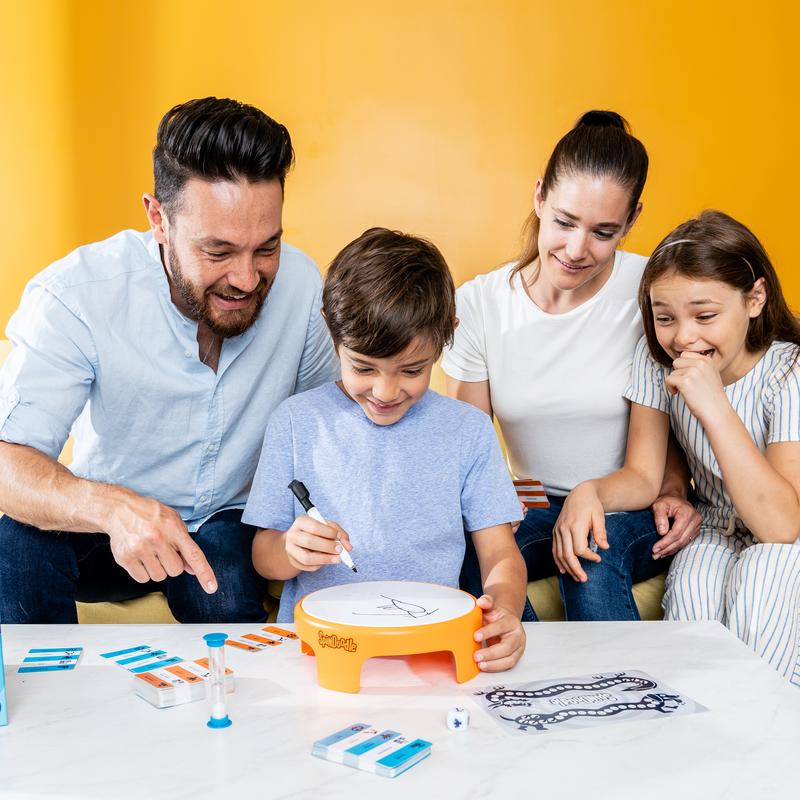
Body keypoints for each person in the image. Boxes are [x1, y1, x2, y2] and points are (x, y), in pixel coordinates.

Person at [0, 97, 339, 624]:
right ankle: (45, 703)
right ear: (158, 219)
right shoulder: (76, 294)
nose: (247, 279)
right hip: (108, 529)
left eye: (266, 247)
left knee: (225, 592)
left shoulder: (301, 284)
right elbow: (6, 464)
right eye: (219, 252)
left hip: (231, 520)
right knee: (12, 545)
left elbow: (329, 423)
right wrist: (111, 508)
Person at [442, 110, 701, 621]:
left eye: (604, 232)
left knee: (592, 556)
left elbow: (646, 474)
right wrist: (495, 494)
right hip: (537, 505)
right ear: (539, 196)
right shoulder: (480, 304)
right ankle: (527, 687)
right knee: (469, 557)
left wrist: (590, 493)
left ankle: (625, 697)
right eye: (563, 222)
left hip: (628, 502)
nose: (577, 250)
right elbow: (465, 448)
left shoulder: (650, 292)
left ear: (632, 220)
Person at [244, 228, 527, 671]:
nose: (385, 390)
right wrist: (291, 551)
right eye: (363, 367)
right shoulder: (296, 422)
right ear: (330, 329)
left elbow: (500, 554)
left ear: (445, 337)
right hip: (322, 652)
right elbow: (265, 557)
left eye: (412, 369)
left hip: (430, 649)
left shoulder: (468, 431)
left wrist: (506, 610)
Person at [556, 210, 800, 684]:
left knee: (761, 582)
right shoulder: (656, 359)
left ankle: (769, 736)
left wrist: (714, 404)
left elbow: (782, 525)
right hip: (713, 527)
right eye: (664, 317)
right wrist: (591, 492)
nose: (683, 336)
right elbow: (644, 476)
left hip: (784, 537)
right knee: (693, 595)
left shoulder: (788, 372)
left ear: (755, 298)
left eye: (705, 316)